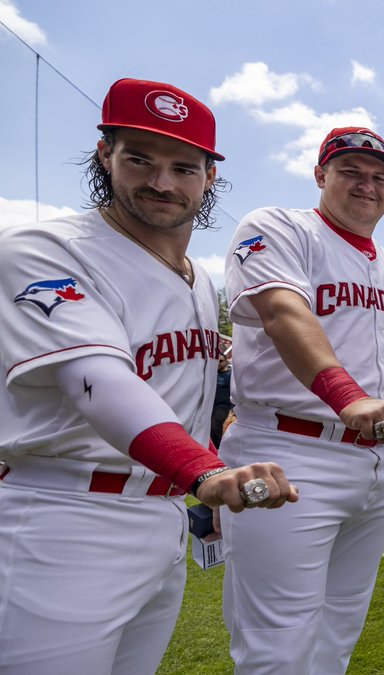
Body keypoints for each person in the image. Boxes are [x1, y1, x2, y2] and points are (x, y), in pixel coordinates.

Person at [0, 78, 297, 675]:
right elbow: (98, 383)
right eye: (140, 159)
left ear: (210, 176)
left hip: (162, 518)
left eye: (183, 167)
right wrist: (207, 472)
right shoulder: (43, 248)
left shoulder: (198, 278)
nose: (162, 182)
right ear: (104, 154)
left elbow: (178, 398)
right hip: (61, 516)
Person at [220, 126, 384, 674]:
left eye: (379, 177)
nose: (367, 185)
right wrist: (347, 397)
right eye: (351, 172)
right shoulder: (278, 228)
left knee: (338, 633)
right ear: (320, 176)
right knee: (277, 644)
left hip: (376, 463)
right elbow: (283, 314)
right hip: (290, 449)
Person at [210, 339, 233, 448]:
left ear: (226, 361)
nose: (218, 364)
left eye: (221, 361)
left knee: (215, 428)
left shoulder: (230, 376)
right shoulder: (211, 374)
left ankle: (217, 450)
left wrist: (231, 411)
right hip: (209, 406)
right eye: (216, 361)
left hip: (222, 407)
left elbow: (233, 393)